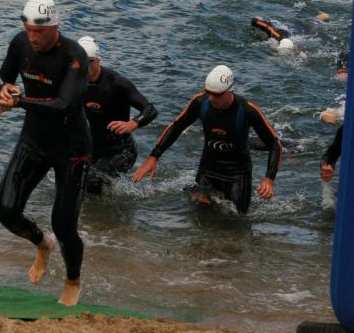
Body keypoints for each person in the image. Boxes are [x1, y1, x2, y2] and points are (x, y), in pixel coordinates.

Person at [0, 0, 90, 306]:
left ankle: (73, 280)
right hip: (34, 140)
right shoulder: (20, 43)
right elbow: (2, 76)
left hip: (72, 149)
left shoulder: (75, 56)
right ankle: (42, 244)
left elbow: (63, 104)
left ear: (55, 27)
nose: (33, 37)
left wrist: (19, 102)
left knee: (64, 225)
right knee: (6, 211)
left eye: (39, 32)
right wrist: (3, 88)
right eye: (28, 30)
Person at [132, 65, 282, 214]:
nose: (211, 98)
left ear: (229, 90)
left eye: (217, 94)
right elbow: (177, 127)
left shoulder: (247, 110)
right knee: (199, 215)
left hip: (237, 175)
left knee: (236, 220)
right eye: (208, 92)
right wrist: (154, 156)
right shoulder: (200, 102)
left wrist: (269, 179)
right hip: (208, 170)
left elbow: (275, 144)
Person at [76, 36, 157, 194]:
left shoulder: (116, 83)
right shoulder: (75, 82)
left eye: (90, 61)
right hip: (94, 148)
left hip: (122, 150)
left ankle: (107, 209)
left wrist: (133, 123)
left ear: (98, 60)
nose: (86, 66)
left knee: (92, 181)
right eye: (81, 61)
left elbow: (150, 109)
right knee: (74, 179)